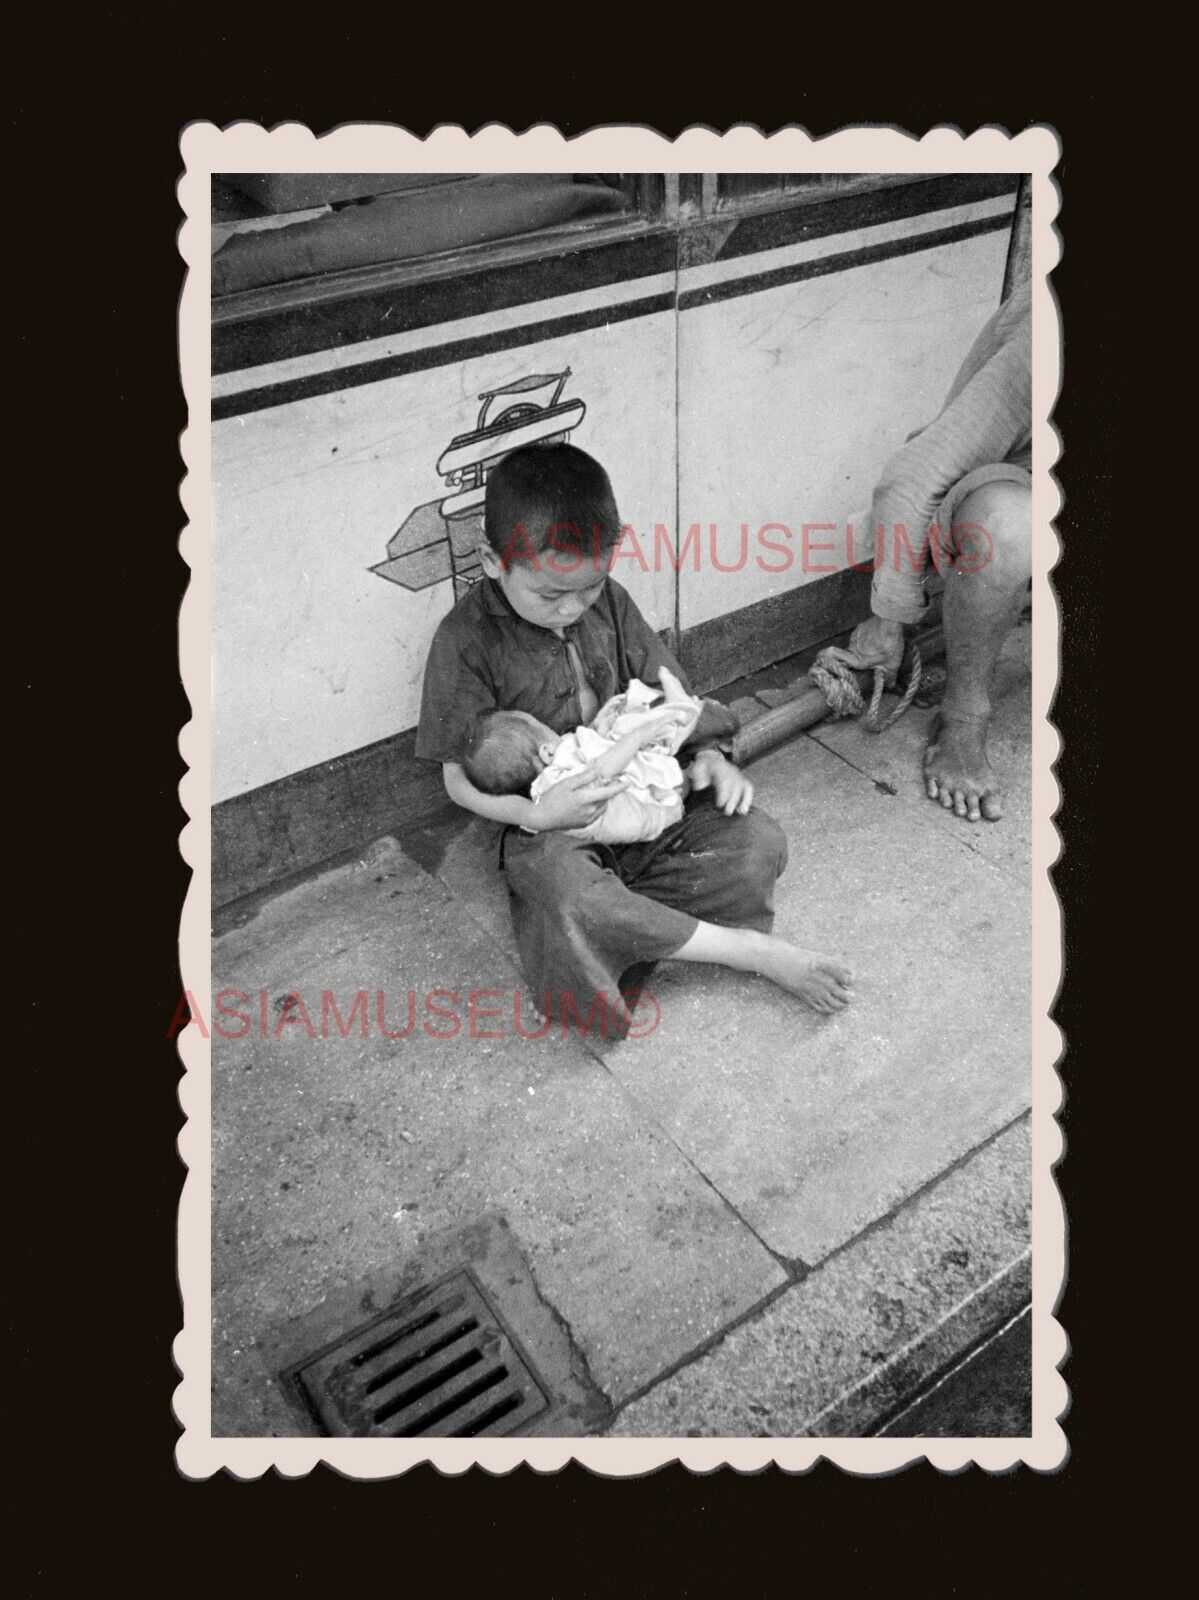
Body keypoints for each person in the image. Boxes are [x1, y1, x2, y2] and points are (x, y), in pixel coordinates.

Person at [415, 442, 854, 1035]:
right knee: (566, 891)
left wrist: (709, 758)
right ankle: (743, 950)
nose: (572, 609)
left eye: (590, 588)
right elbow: (455, 779)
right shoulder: (464, 639)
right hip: (553, 828)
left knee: (757, 843)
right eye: (549, 594)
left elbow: (671, 695)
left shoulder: (611, 605)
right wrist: (538, 814)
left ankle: (631, 924)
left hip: (644, 793)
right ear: (493, 560)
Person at [831, 281, 1032, 823]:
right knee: (1010, 529)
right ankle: (964, 716)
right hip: (1023, 489)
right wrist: (889, 620)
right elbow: (917, 473)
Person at [461, 670, 700, 846]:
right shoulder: (559, 787)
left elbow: (585, 754)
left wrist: (597, 728)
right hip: (658, 809)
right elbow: (601, 770)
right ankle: (680, 710)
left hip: (636, 802)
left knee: (623, 731)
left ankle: (675, 712)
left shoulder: (550, 780)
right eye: (542, 726)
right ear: (546, 752)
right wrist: (638, 736)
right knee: (635, 733)